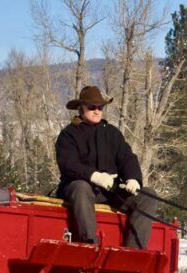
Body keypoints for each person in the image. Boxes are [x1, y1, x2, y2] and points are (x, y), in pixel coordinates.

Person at [54, 85, 157, 249]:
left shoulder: (112, 133)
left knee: (148, 195)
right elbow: (68, 164)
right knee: (81, 187)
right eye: (92, 107)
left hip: (110, 190)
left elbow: (127, 158)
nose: (97, 111)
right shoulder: (69, 134)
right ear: (81, 108)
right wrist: (94, 176)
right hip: (78, 189)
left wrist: (133, 179)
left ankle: (133, 251)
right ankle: (89, 244)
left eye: (100, 107)